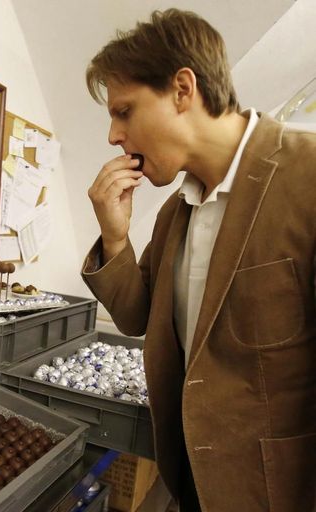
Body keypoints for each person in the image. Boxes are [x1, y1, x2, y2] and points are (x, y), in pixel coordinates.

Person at [81, 9, 314, 512]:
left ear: (183, 89)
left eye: (124, 111)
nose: (113, 136)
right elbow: (136, 316)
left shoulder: (309, 174)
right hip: (190, 483)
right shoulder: (174, 212)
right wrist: (114, 238)